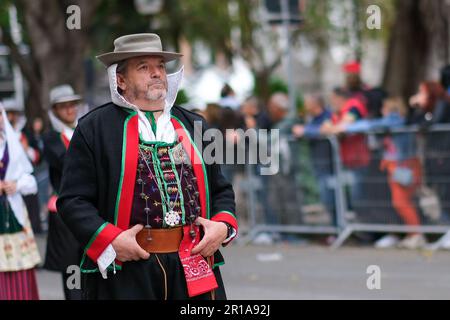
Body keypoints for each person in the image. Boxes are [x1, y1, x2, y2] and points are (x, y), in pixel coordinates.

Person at [57, 33, 237, 300]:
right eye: (144, 67)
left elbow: (220, 189)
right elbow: (73, 200)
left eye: (160, 66)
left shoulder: (193, 126)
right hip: (129, 270)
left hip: (193, 264)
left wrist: (221, 226)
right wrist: (112, 241)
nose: (156, 73)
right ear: (120, 79)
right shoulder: (94, 129)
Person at [341, 97, 426, 249]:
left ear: (388, 108)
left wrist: (345, 127)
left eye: (384, 108)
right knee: (402, 202)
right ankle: (410, 234)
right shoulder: (397, 120)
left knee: (401, 202)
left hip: (403, 166)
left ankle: (416, 234)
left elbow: (370, 125)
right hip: (398, 166)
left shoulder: (394, 120)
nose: (382, 111)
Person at [42, 84, 83, 300]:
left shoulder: (85, 130)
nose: (69, 110)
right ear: (55, 110)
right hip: (64, 212)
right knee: (71, 267)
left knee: (91, 262)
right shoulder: (51, 139)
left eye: (72, 105)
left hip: (89, 208)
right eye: (63, 106)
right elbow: (67, 163)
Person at [0, 103, 41, 300]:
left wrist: (16, 184)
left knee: (20, 267)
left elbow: (31, 180)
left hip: (14, 212)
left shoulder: (12, 144)